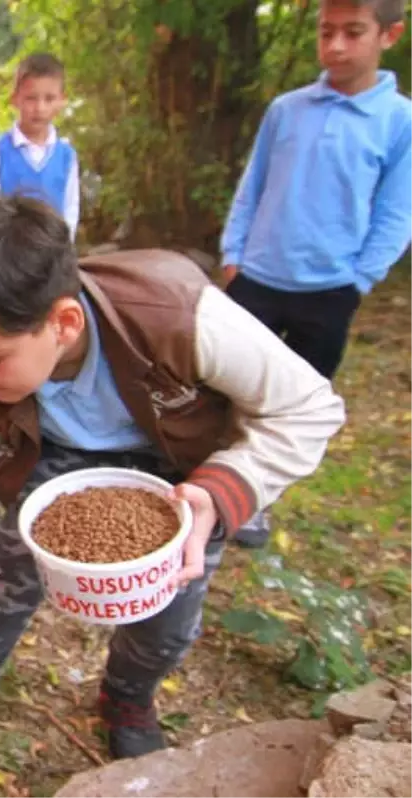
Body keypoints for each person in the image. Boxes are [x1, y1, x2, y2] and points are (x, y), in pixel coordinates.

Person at [0, 196, 346, 797]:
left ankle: (127, 698)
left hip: (181, 466)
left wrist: (226, 487)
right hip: (57, 460)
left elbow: (310, 407)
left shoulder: (179, 317)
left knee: (169, 619)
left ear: (64, 323)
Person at [220, 0, 411, 547]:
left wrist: (360, 280)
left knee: (289, 404)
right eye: (327, 32)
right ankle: (204, 476)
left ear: (389, 35)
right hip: (255, 277)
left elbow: (397, 211)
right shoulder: (287, 109)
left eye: (354, 33)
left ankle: (253, 502)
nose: (336, 47)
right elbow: (252, 185)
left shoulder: (399, 121)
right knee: (226, 389)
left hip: (328, 291)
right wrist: (234, 253)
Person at [0, 53, 79, 237]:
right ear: (15, 99)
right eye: (31, 98)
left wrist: (64, 249)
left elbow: (70, 209)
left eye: (49, 99)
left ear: (61, 100)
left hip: (51, 253)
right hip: (7, 253)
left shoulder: (66, 156)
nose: (40, 108)